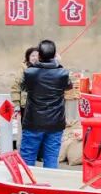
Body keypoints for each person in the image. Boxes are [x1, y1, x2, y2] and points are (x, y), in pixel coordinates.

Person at [21, 39, 72, 168]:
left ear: (39, 55)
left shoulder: (30, 72)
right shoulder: (62, 73)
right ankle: (50, 179)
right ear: (54, 55)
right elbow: (68, 86)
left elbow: (24, 87)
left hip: (33, 121)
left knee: (28, 156)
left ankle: (26, 180)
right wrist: (58, 64)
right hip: (55, 121)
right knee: (51, 157)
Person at [11, 46, 39, 111]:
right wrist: (16, 104)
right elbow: (16, 86)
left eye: (37, 56)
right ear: (28, 57)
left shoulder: (43, 69)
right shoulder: (23, 69)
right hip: (26, 104)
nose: (35, 58)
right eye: (33, 56)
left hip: (40, 104)